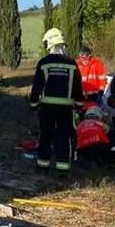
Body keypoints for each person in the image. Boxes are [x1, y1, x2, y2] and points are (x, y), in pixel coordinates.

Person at [30, 28, 84, 177]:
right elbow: (77, 87)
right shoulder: (72, 63)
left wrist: (34, 104)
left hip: (46, 107)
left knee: (45, 135)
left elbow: (37, 87)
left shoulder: (44, 63)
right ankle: (62, 169)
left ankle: (42, 166)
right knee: (64, 137)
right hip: (65, 108)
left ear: (49, 44)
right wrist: (79, 105)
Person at [75, 45, 108, 110]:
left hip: (94, 97)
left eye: (85, 58)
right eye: (81, 58)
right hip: (79, 96)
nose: (83, 60)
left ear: (89, 56)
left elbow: (102, 80)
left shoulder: (97, 64)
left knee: (93, 116)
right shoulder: (76, 64)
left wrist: (100, 94)